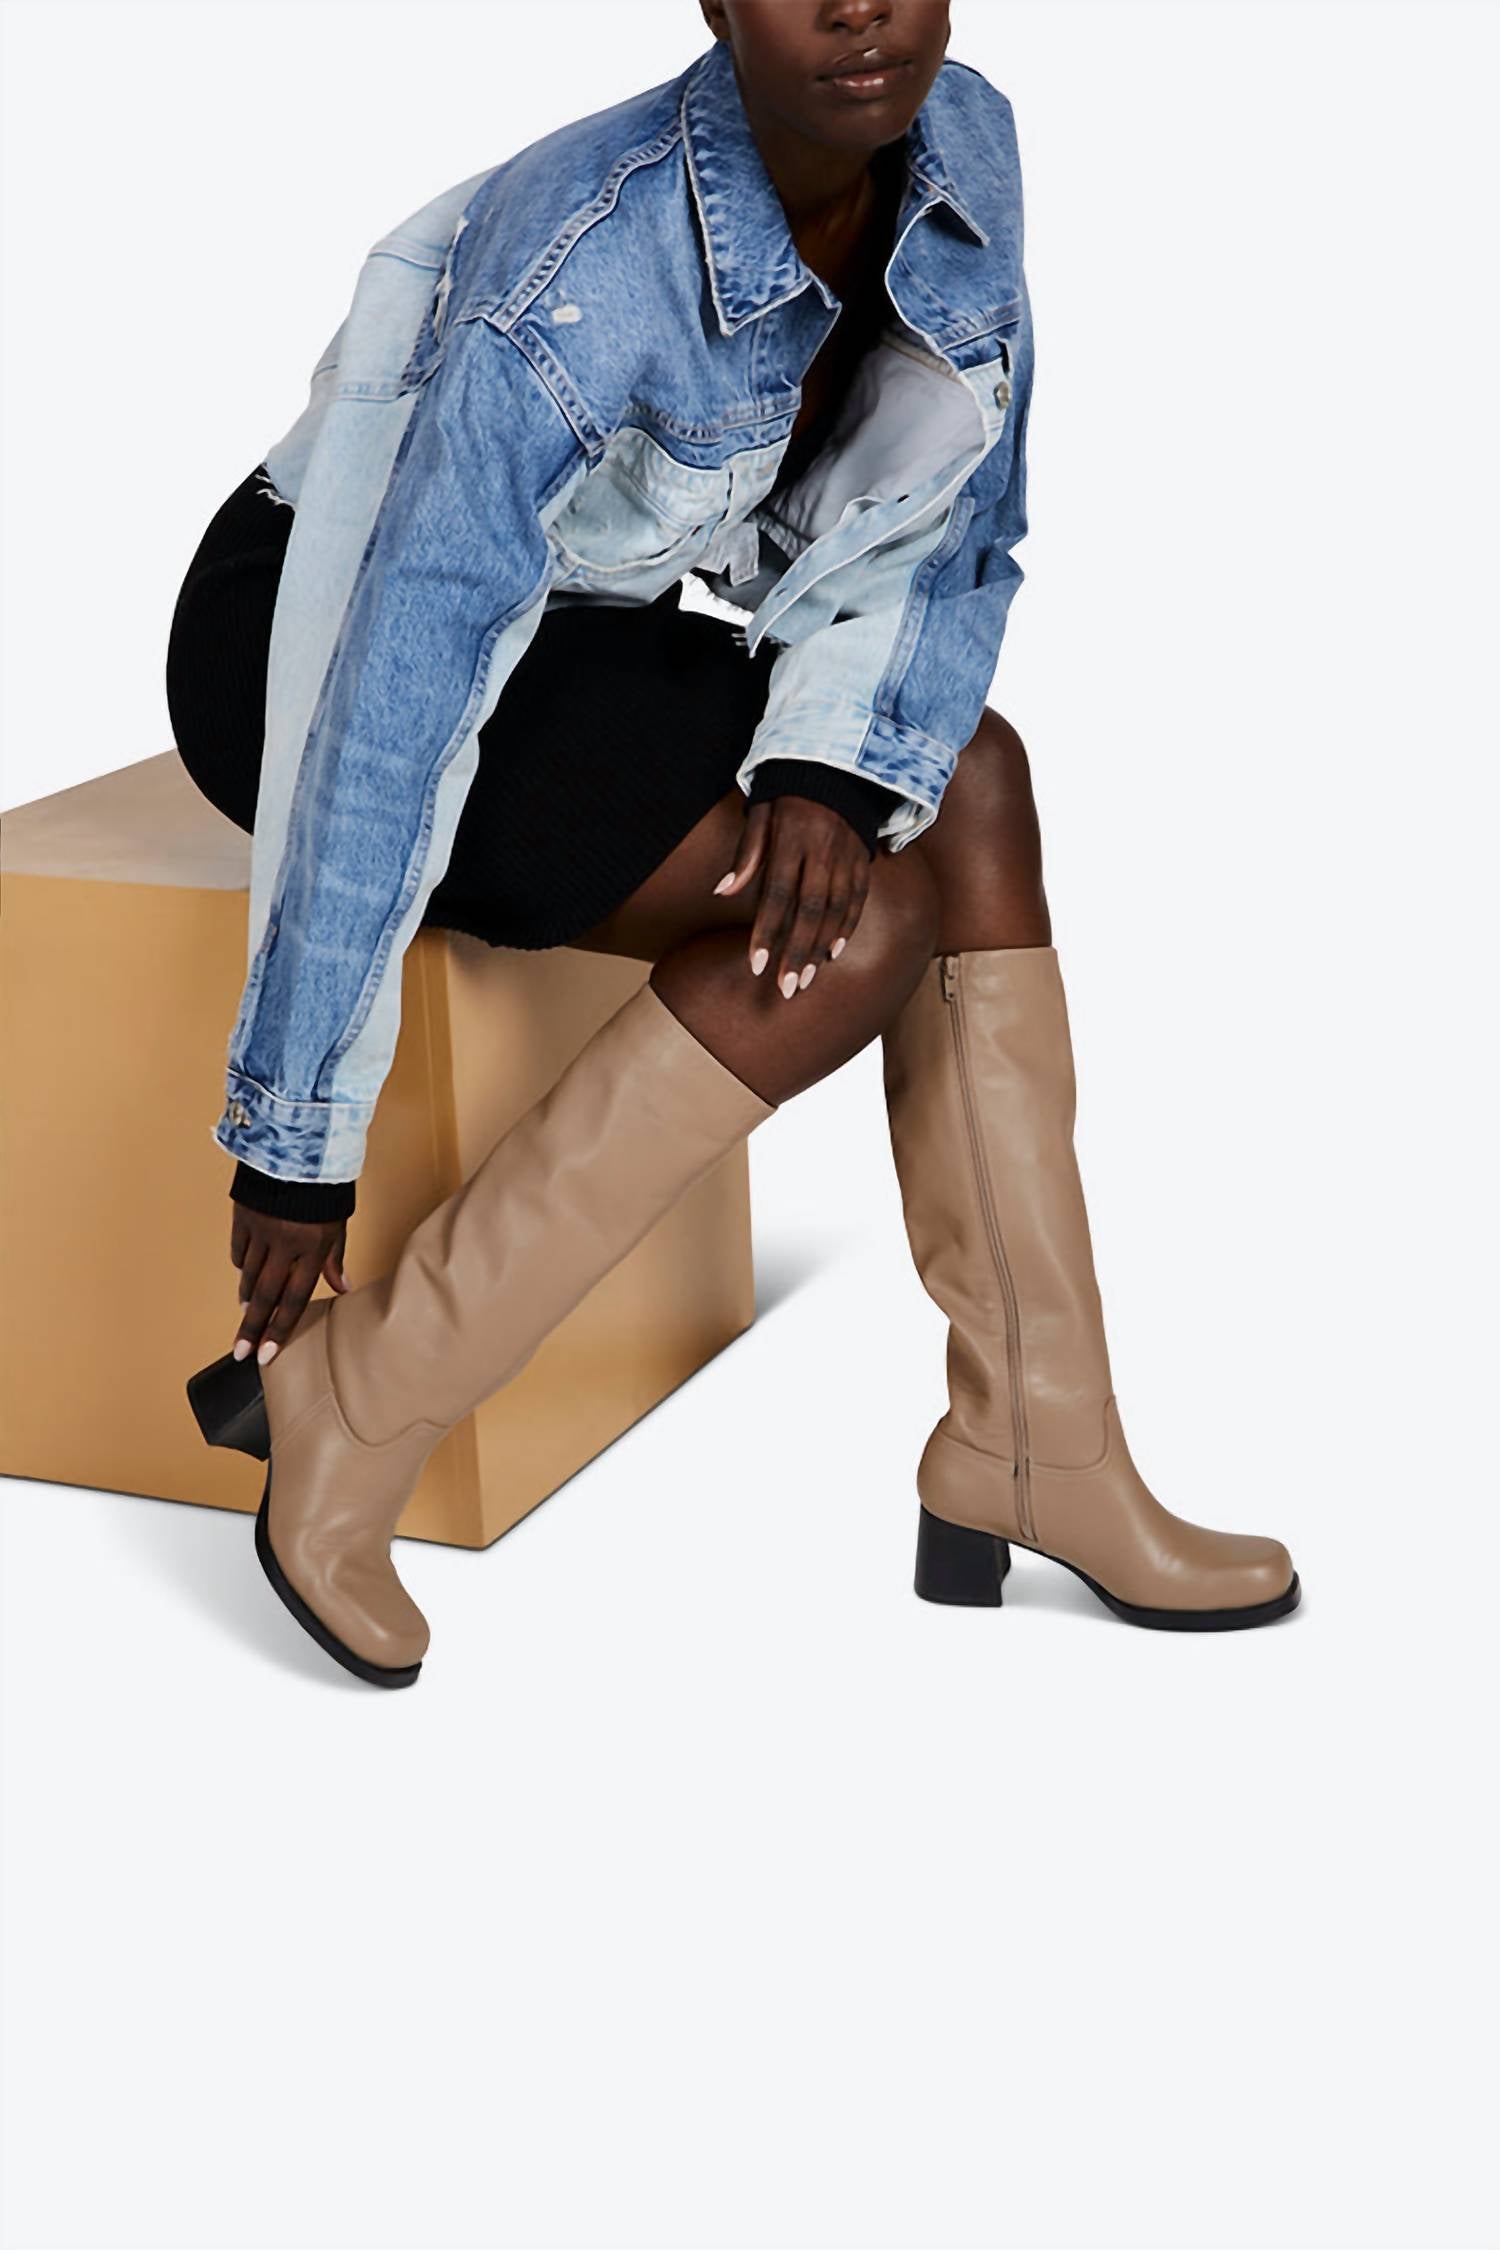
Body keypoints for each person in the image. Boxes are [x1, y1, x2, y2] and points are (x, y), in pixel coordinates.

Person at [171, 1, 1300, 1688]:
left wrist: (831, 768)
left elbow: (947, 541)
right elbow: (392, 684)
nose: (860, 8)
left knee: (974, 778)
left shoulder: (964, 144)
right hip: (321, 630)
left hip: (575, 622)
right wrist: (294, 1138)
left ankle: (1036, 1439)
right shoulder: (583, 258)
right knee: (861, 930)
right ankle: (359, 1397)